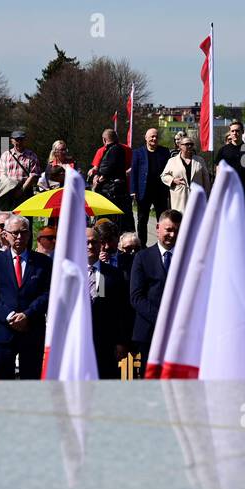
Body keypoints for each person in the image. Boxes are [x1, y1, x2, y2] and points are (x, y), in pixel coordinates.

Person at [0, 215, 52, 379]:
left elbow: (49, 293)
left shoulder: (43, 262)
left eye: (23, 232)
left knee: (31, 381)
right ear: (5, 235)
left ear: (29, 234)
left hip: (32, 330)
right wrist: (10, 316)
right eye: (15, 233)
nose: (19, 237)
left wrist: (28, 314)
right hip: (4, 332)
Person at [129, 209, 181, 351]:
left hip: (179, 334)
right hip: (149, 333)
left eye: (177, 231)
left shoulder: (187, 259)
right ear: (158, 228)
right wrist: (162, 319)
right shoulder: (142, 257)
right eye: (169, 230)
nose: (173, 235)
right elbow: (136, 297)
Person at [86, 228, 131, 379]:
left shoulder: (114, 274)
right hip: (79, 343)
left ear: (101, 245)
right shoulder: (70, 274)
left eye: (94, 242)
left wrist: (121, 342)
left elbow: (122, 310)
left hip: (106, 344)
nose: (90, 246)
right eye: (86, 242)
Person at [131, 128, 172, 242]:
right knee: (142, 219)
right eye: (152, 136)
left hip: (160, 191)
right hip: (144, 191)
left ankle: (162, 242)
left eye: (156, 137)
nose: (154, 139)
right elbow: (134, 172)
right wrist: (133, 190)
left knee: (162, 219)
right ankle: (142, 245)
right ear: (146, 138)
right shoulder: (138, 153)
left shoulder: (164, 152)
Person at [211, 120, 245, 215]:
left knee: (244, 220)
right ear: (230, 132)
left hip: (244, 191)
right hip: (227, 191)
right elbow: (219, 172)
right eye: (232, 131)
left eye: (237, 131)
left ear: (242, 132)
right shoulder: (223, 151)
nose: (235, 133)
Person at [90, 128, 131, 230]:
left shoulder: (111, 150)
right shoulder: (123, 149)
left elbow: (107, 167)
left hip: (110, 190)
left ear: (104, 139)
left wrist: (100, 177)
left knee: (108, 218)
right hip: (120, 188)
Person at [161, 134, 210, 217]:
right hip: (179, 198)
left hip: (196, 198)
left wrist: (206, 195)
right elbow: (164, 176)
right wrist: (173, 180)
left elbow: (206, 179)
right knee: (179, 222)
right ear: (180, 146)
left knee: (195, 222)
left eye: (191, 144)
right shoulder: (172, 161)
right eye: (187, 144)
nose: (190, 146)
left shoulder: (199, 160)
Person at [0, 130, 41, 211]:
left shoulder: (32, 155)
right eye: (17, 140)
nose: (19, 142)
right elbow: (1, 173)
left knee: (25, 219)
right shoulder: (6, 155)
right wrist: (9, 186)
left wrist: (21, 190)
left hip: (25, 191)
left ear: (25, 141)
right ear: (12, 141)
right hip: (8, 191)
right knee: (8, 218)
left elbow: (34, 175)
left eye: (21, 139)